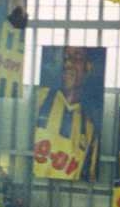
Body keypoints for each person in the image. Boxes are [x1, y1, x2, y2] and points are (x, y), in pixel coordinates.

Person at [33, 46, 100, 181]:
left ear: (88, 67)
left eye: (77, 57)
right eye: (65, 57)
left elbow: (91, 178)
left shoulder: (90, 129)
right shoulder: (39, 98)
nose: (68, 63)